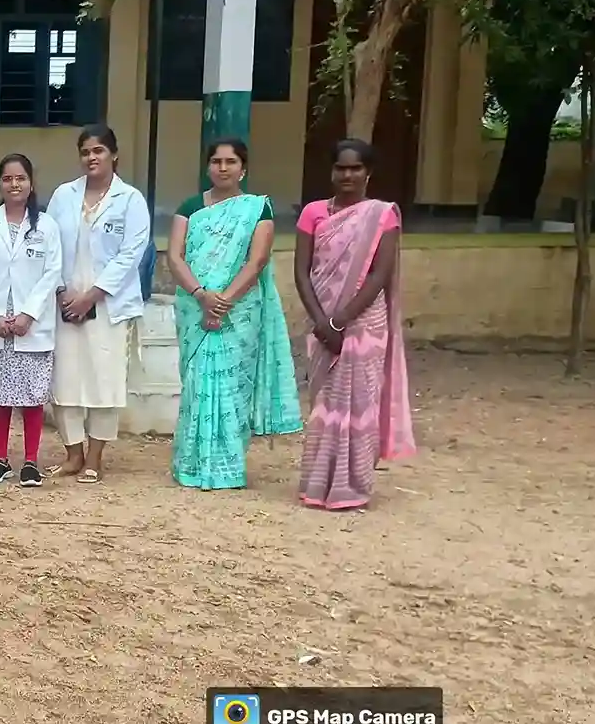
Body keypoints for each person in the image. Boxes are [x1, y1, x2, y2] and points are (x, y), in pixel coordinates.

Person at [168, 138, 302, 490]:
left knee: (232, 386)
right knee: (197, 382)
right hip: (194, 307)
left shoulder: (257, 209)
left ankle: (227, 467)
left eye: (231, 161)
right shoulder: (190, 207)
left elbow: (257, 261)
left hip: (240, 311)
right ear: (207, 166)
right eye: (216, 161)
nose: (223, 168)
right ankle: (191, 464)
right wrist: (201, 296)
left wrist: (223, 302)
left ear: (243, 168)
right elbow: (175, 257)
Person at [294, 138, 415, 510]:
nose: (348, 175)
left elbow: (379, 274)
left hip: (364, 322)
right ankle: (317, 485)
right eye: (341, 168)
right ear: (331, 172)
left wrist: (340, 321)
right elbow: (302, 272)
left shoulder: (382, 215)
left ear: (368, 173)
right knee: (324, 404)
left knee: (360, 402)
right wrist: (322, 322)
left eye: (355, 168)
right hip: (321, 319)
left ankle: (353, 486)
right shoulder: (313, 212)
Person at [45, 124, 151, 484]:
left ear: (114, 154)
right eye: (86, 152)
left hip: (108, 305)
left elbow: (131, 254)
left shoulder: (130, 200)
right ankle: (73, 454)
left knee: (104, 381)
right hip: (64, 303)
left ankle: (94, 458)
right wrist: (62, 292)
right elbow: (49, 244)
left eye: (99, 151)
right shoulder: (64, 195)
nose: (92, 157)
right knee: (65, 380)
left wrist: (92, 295)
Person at [0, 153, 63, 488]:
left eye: (20, 178)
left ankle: (31, 462)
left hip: (31, 322)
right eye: (7, 179)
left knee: (32, 394)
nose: (14, 184)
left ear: (31, 183)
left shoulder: (47, 226)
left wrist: (28, 314)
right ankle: (0, 460)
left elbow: (52, 273)